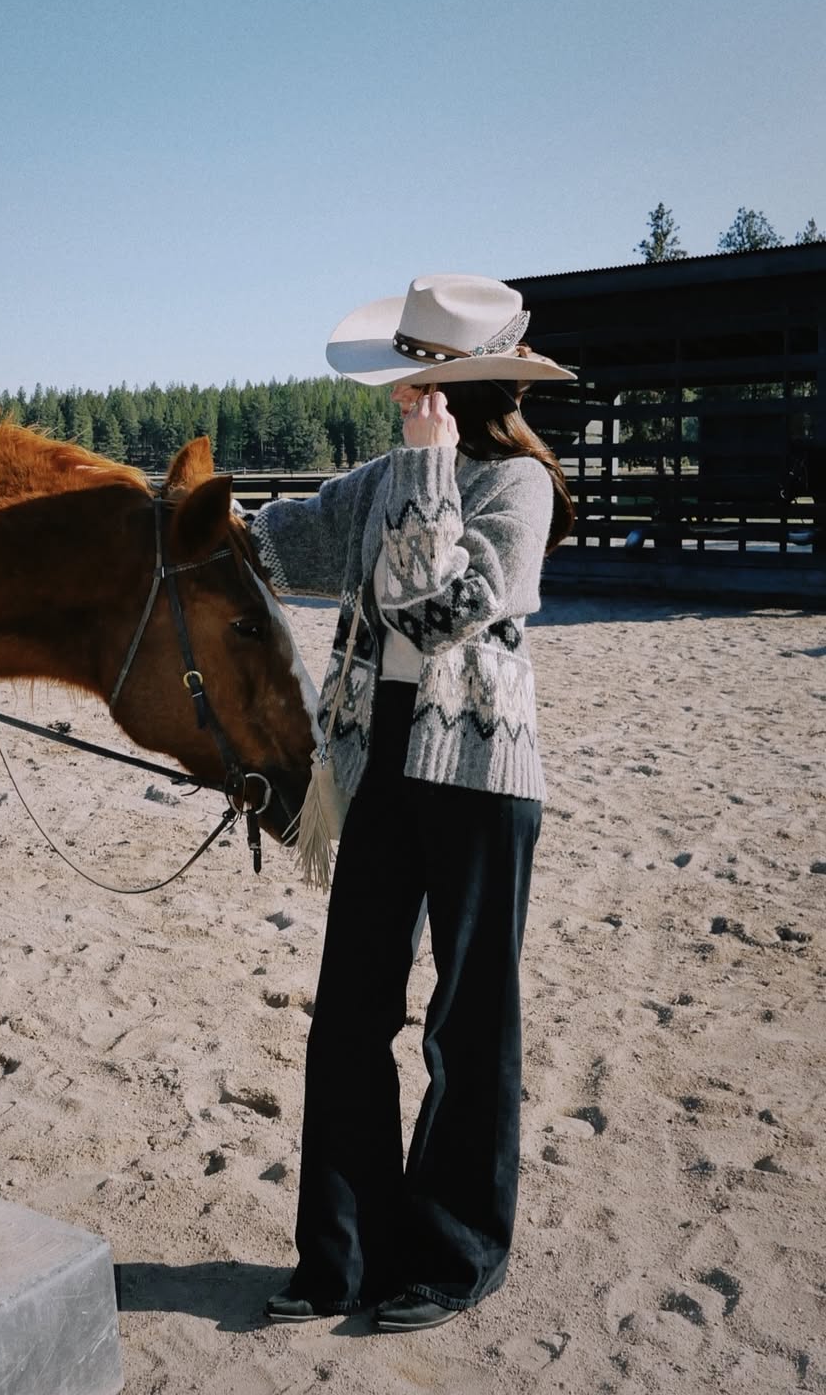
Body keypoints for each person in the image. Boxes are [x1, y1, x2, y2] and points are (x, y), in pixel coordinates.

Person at [250, 273, 576, 1333]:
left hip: (481, 770)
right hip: (376, 761)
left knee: (467, 1020)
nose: (398, 395)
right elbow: (279, 538)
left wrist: (432, 469)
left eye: (415, 380)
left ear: (462, 387)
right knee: (350, 1011)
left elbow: (437, 616)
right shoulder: (384, 477)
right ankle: (341, 1257)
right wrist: (176, 514)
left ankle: (454, 1256)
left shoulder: (518, 487)